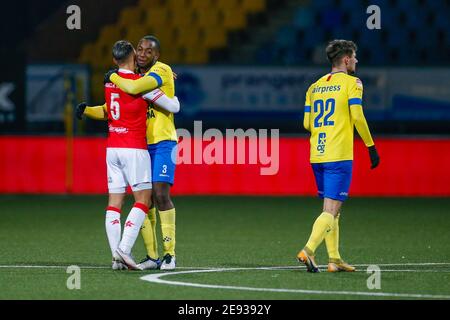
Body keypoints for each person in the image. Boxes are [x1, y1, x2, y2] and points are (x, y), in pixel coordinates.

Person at [297, 39, 380, 273]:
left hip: (317, 154)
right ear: (345, 59)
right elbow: (357, 116)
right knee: (330, 210)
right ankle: (309, 250)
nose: (356, 60)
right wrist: (371, 146)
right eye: (354, 57)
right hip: (339, 154)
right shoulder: (353, 83)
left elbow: (307, 123)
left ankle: (334, 259)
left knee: (333, 208)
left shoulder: (314, 87)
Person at [104, 35, 178, 271]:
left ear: (157, 55)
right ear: (134, 53)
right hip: (142, 145)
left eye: (149, 51)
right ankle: (152, 256)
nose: (144, 53)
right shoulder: (137, 77)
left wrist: (112, 74)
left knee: (159, 194)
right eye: (140, 49)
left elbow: (171, 105)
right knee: (145, 200)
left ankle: (169, 254)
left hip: (164, 142)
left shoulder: (161, 70)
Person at [101, 40, 154, 271]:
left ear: (114, 61)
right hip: (134, 147)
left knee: (114, 203)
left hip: (112, 147)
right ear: (133, 54)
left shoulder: (109, 83)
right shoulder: (139, 83)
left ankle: (115, 257)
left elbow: (107, 108)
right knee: (143, 199)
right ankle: (124, 249)